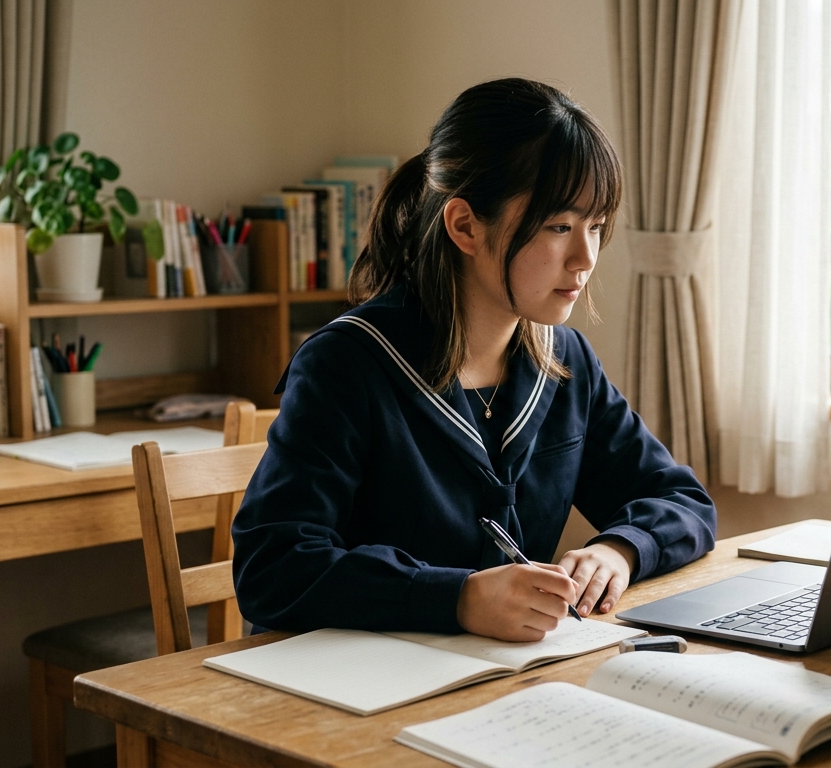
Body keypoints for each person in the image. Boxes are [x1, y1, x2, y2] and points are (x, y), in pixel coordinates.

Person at [232, 78, 716, 642]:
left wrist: (621, 549)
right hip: (353, 691)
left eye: (597, 227)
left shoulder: (566, 363)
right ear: (465, 225)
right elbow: (274, 568)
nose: (585, 258)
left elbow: (683, 502)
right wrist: (456, 598)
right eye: (559, 226)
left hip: (501, 682)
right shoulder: (346, 364)